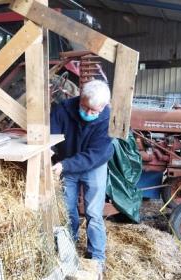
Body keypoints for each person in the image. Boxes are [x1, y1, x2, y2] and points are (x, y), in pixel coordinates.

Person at [50, 80, 114, 277]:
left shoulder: (107, 119)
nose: (87, 112)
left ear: (103, 107)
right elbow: (49, 136)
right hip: (66, 163)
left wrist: (65, 165)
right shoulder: (62, 110)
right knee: (67, 210)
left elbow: (96, 154)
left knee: (93, 213)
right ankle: (69, 246)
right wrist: (48, 155)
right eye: (84, 106)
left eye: (93, 110)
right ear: (79, 98)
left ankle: (96, 257)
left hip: (93, 165)